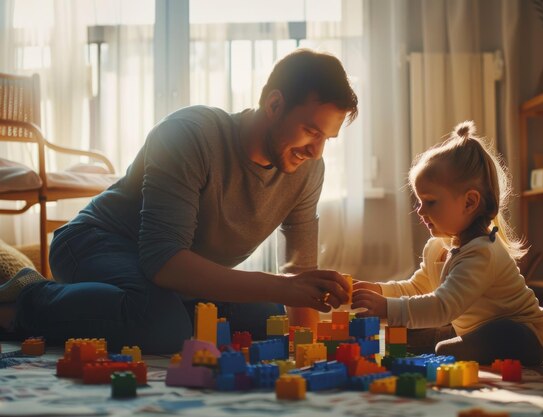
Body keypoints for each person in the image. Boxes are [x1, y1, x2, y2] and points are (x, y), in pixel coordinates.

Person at [0, 49, 357, 354]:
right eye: (311, 131)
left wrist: (303, 348)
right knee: (163, 327)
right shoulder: (190, 134)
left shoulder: (309, 169)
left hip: (174, 270)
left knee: (267, 319)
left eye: (327, 138)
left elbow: (298, 275)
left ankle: (133, 306)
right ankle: (26, 301)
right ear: (275, 104)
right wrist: (286, 287)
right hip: (97, 242)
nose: (316, 150)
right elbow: (164, 261)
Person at [351, 121, 543, 365]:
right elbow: (416, 288)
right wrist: (378, 291)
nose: (420, 211)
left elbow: (443, 306)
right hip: (472, 331)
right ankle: (451, 345)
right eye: (419, 201)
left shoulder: (481, 252)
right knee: (408, 333)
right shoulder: (437, 247)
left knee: (456, 344)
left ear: (469, 203)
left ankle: (450, 348)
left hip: (520, 334)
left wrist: (387, 308)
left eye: (430, 202)